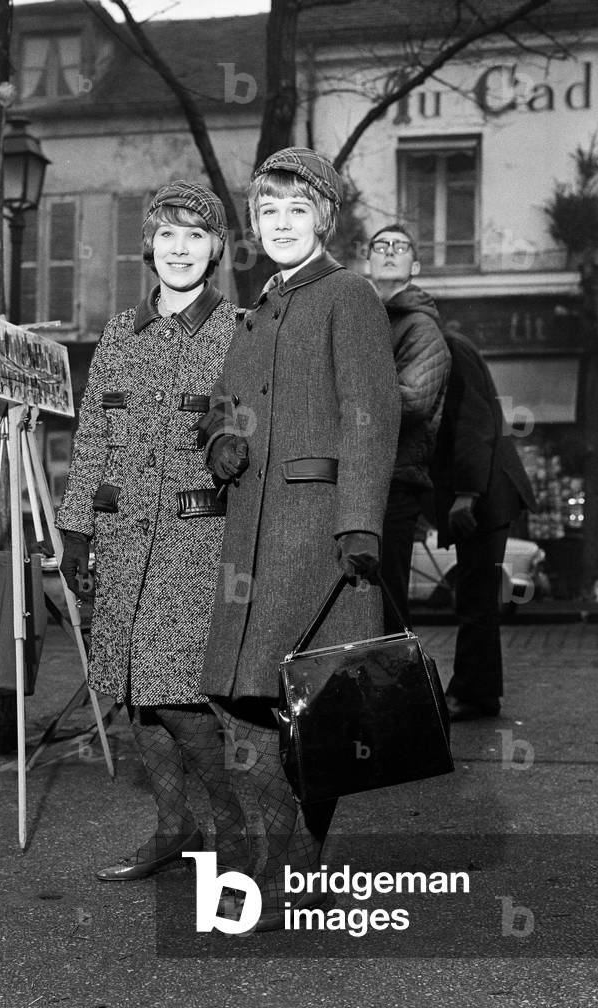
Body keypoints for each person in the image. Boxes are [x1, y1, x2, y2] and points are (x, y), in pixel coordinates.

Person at [199, 148, 399, 932]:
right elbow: (220, 403)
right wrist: (218, 438)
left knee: (306, 705)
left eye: (294, 210)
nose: (279, 225)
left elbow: (370, 414)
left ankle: (292, 866)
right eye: (266, 213)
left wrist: (359, 522)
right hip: (248, 530)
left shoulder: (347, 293)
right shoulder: (257, 310)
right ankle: (270, 852)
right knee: (242, 697)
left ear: (324, 217)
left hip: (315, 533)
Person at [56, 181, 248, 881]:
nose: (179, 248)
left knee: (178, 695)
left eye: (195, 236)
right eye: (167, 235)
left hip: (195, 547)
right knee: (134, 692)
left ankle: (234, 827)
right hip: (123, 539)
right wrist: (76, 530)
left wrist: (231, 440)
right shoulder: (118, 333)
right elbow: (91, 441)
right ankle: (173, 826)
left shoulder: (241, 330)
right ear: (148, 245)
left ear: (217, 249)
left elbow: (249, 427)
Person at [426, 330, 537, 721]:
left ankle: (474, 695)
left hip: (485, 493)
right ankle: (479, 694)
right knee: (476, 598)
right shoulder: (447, 347)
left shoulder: (450, 349)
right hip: (484, 491)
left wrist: (467, 493)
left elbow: (475, 424)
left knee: (475, 600)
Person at [366, 224, 450, 634]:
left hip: (396, 480)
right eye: (380, 246)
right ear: (368, 260)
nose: (388, 251)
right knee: (364, 594)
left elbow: (413, 402)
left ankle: (399, 689)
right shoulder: (366, 318)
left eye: (399, 247)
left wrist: (348, 393)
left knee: (388, 595)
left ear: (414, 265)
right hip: (367, 477)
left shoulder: (420, 326)